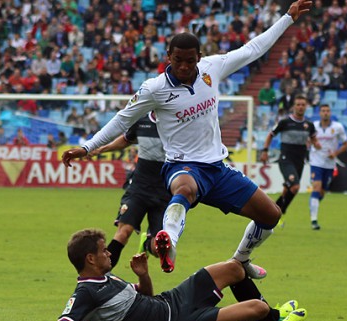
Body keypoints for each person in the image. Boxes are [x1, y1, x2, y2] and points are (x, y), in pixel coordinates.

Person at [62, 0, 313, 279]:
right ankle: (168, 242)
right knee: (185, 188)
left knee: (271, 215)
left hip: (217, 168)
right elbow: (123, 119)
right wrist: (88, 146)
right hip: (181, 166)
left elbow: (252, 49)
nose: (183, 66)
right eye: (177, 59)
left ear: (199, 56)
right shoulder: (154, 89)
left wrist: (287, 19)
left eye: (189, 60)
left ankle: (241, 260)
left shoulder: (211, 68)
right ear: (168, 55)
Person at [52, 228, 307, 321]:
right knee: (257, 308)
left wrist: (144, 276)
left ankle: (274, 320)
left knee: (235, 268)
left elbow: (145, 299)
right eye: (104, 250)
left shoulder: (109, 279)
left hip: (172, 300)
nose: (109, 253)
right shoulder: (85, 292)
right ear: (90, 259)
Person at [87, 112, 170, 267]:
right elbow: (127, 139)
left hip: (165, 190)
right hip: (140, 186)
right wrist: (102, 149)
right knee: (123, 232)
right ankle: (100, 274)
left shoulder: (178, 121)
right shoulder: (141, 121)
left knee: (160, 247)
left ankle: (147, 244)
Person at [259, 95, 319, 226]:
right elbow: (271, 134)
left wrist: (318, 145)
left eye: (303, 105)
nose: (300, 107)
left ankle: (272, 211)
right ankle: (280, 211)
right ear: (293, 107)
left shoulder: (309, 125)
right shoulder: (285, 122)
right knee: (295, 186)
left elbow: (314, 140)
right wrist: (265, 150)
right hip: (286, 159)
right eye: (298, 104)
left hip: (300, 161)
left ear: (306, 107)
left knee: (288, 189)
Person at [308, 104, 347, 230]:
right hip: (316, 162)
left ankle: (313, 204)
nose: (325, 113)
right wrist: (314, 143)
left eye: (327, 111)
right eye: (323, 111)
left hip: (329, 164)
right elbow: (307, 141)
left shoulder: (338, 127)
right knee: (316, 187)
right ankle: (314, 220)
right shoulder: (313, 126)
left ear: (330, 113)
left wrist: (335, 153)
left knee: (322, 192)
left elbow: (346, 144)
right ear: (320, 113)